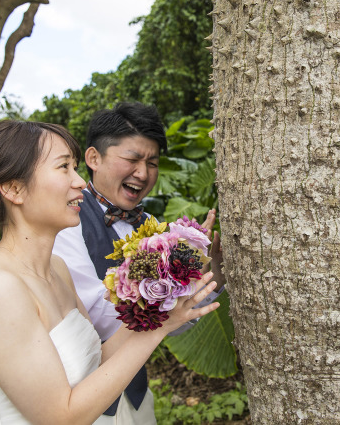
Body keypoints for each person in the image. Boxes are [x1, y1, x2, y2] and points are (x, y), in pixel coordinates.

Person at [0, 120, 219, 424]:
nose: (80, 182)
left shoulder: (57, 269)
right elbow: (60, 417)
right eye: (63, 167)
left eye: (75, 168)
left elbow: (99, 360)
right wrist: (156, 329)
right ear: (14, 188)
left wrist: (168, 297)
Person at [53, 102, 225, 424]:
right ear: (93, 158)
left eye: (152, 163)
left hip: (136, 395)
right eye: (132, 159)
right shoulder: (65, 221)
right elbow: (96, 319)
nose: (143, 173)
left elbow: (174, 324)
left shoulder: (151, 225)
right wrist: (172, 294)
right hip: (86, 400)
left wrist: (210, 273)